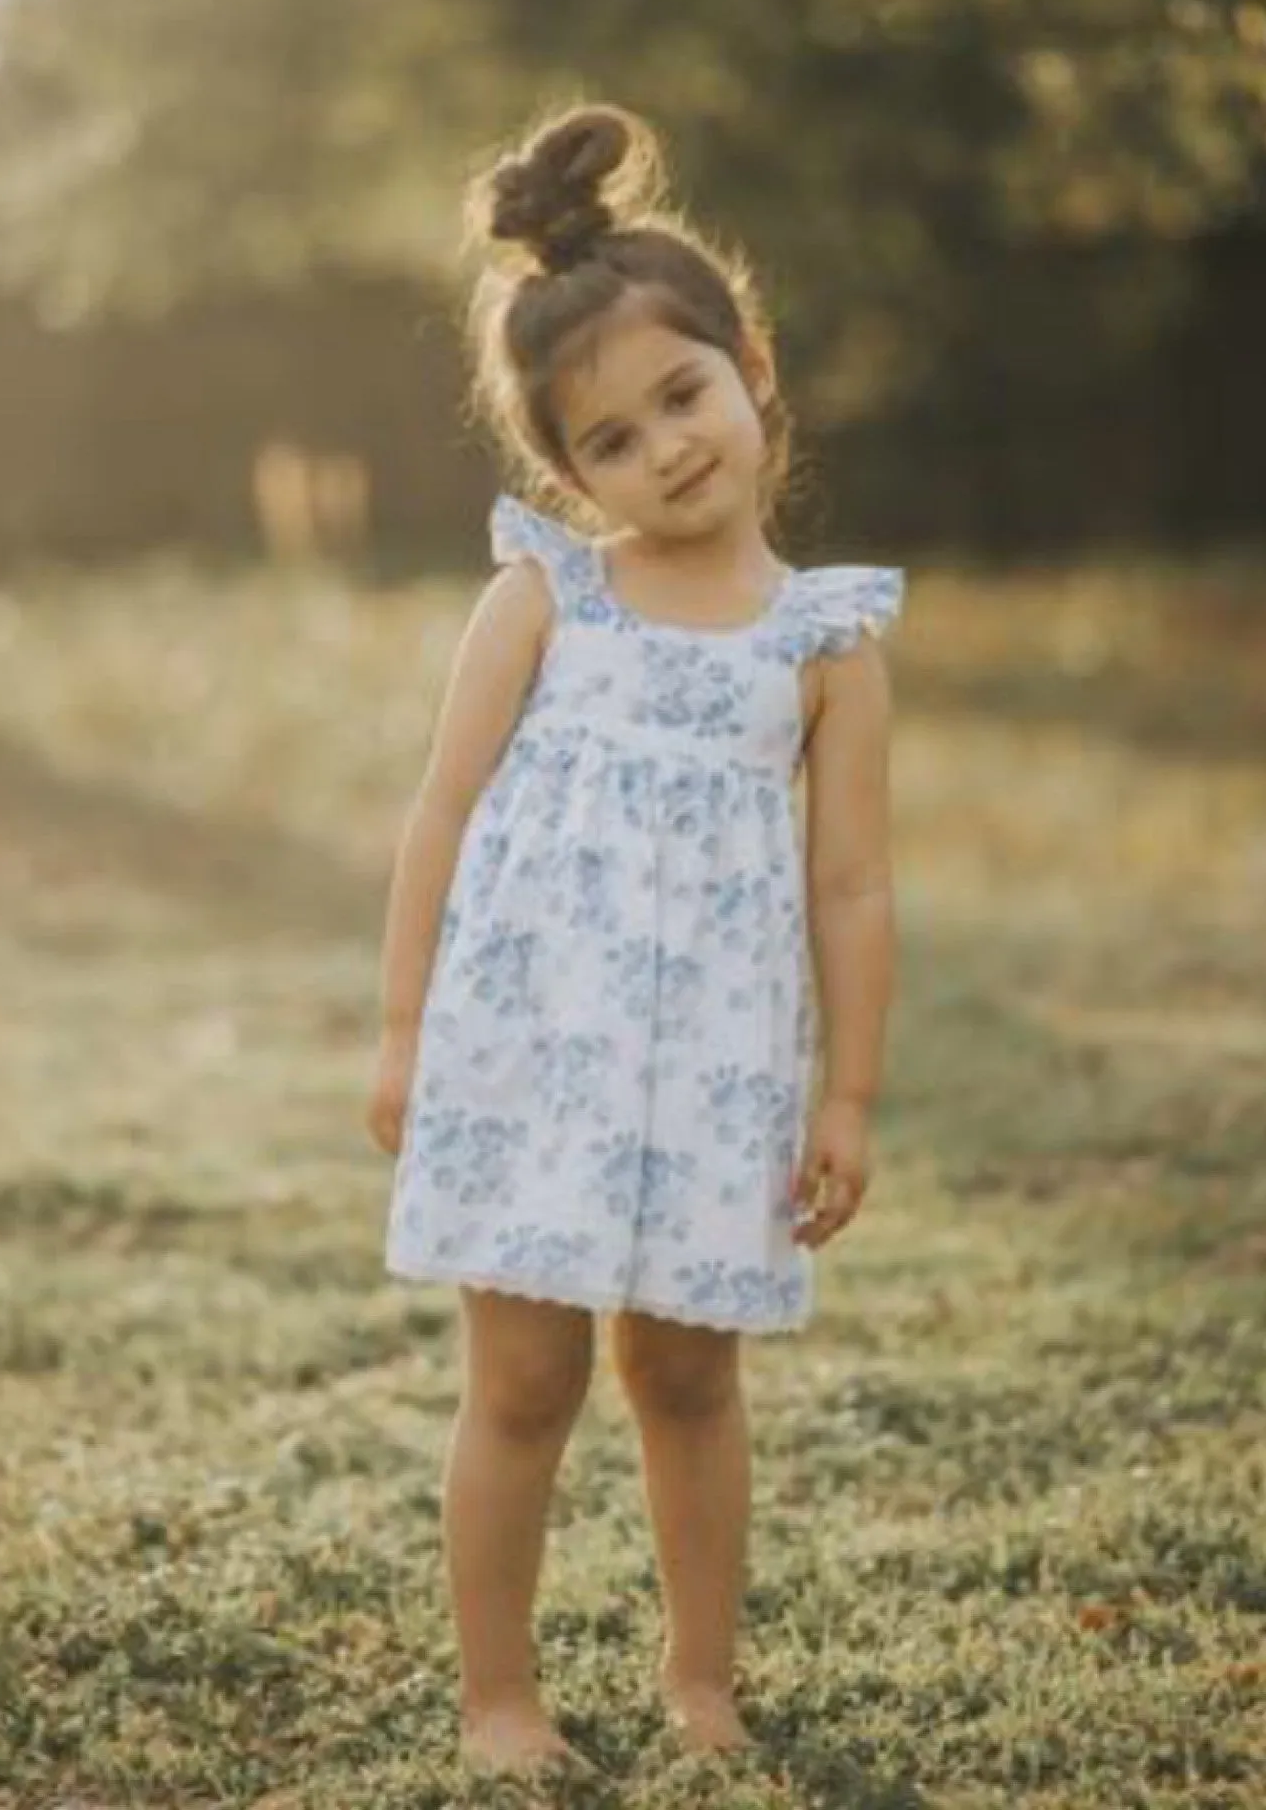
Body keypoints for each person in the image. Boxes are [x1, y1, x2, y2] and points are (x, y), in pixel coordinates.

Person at [366, 103, 905, 1783]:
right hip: (531, 1053)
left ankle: (699, 1682)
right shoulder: (547, 600)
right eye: (612, 438)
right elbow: (441, 815)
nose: (666, 448)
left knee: (685, 1377)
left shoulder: (824, 641)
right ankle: (500, 1701)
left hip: (719, 1070)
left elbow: (852, 889)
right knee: (523, 1382)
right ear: (563, 473)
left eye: (684, 394)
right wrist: (402, 1030)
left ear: (750, 364)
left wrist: (851, 1100)